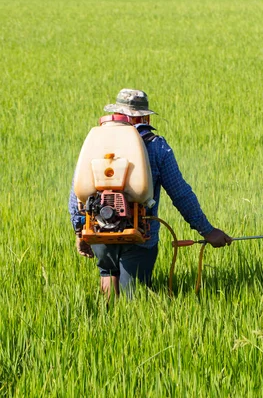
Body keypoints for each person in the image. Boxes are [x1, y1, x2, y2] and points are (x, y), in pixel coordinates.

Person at [69, 88, 232, 297]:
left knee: (108, 274)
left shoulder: (97, 143)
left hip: (100, 230)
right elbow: (181, 194)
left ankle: (108, 322)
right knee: (134, 298)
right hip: (140, 235)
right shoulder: (156, 146)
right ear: (144, 116)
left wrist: (79, 231)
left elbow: (77, 193)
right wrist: (207, 231)